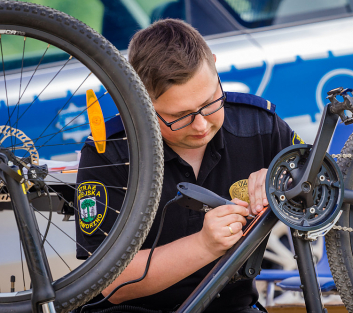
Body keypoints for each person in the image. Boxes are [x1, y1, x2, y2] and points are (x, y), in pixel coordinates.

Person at [74, 18, 301, 313]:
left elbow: (328, 187)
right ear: (139, 100)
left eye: (210, 103)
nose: (201, 124)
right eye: (180, 116)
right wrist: (204, 246)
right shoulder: (109, 154)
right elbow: (108, 283)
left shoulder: (259, 125)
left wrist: (283, 179)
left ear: (215, 66)